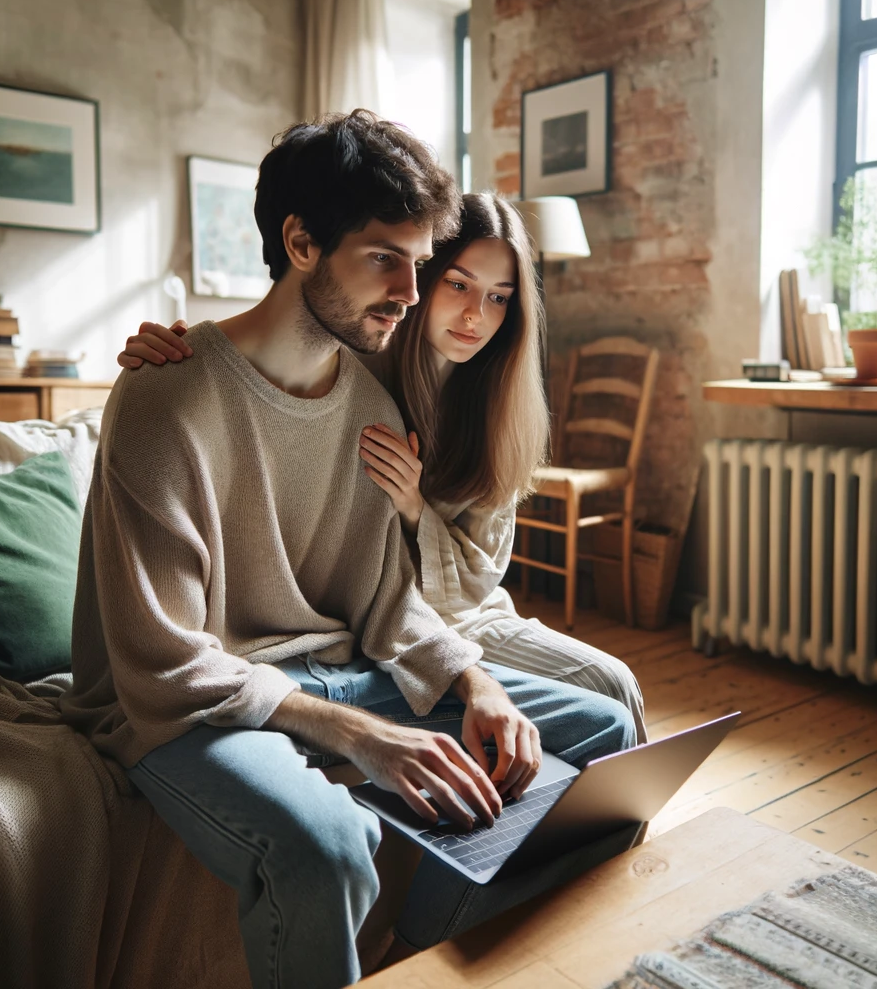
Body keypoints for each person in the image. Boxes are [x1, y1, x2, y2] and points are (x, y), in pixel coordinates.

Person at [62, 110, 637, 989]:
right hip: (189, 709)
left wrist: (474, 681)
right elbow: (162, 662)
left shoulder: (372, 410)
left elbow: (388, 606)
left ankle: (417, 962)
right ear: (300, 242)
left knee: (605, 730)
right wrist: (362, 736)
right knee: (328, 844)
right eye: (385, 258)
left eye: (419, 261)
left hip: (337, 667)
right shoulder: (164, 400)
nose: (413, 291)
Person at [120, 192, 648, 743]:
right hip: (375, 618)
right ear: (422, 276)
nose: (475, 315)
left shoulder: (501, 404)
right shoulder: (353, 365)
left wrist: (416, 508)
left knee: (612, 685)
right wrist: (186, 348)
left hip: (461, 611)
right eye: (458, 284)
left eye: (498, 297)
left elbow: (477, 581)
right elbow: (264, 357)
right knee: (605, 688)